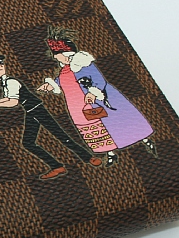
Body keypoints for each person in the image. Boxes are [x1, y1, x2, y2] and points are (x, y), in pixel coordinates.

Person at [36, 26, 156, 165]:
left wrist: (93, 93)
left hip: (99, 101)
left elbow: (99, 80)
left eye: (60, 55)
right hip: (78, 107)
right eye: (57, 56)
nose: (58, 58)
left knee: (119, 123)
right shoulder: (65, 70)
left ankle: (145, 140)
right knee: (98, 131)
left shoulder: (84, 65)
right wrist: (50, 86)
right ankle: (110, 154)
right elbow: (61, 82)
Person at [0, 54, 103, 180]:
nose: (0, 67)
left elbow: (13, 101)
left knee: (59, 136)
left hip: (37, 110)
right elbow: (7, 98)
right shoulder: (5, 82)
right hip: (31, 111)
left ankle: (87, 158)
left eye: (1, 64)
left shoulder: (11, 82)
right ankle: (57, 166)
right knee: (30, 142)